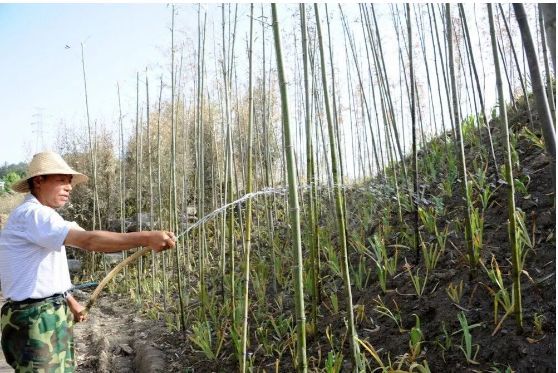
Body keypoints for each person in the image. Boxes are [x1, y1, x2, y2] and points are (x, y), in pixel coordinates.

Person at [0, 151, 176, 372]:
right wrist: (146, 238)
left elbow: (44, 271)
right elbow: (90, 241)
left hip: (46, 313)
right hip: (37, 318)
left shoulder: (45, 218)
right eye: (61, 180)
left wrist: (71, 302)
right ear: (38, 181)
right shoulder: (34, 215)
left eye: (70, 181)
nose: (69, 187)